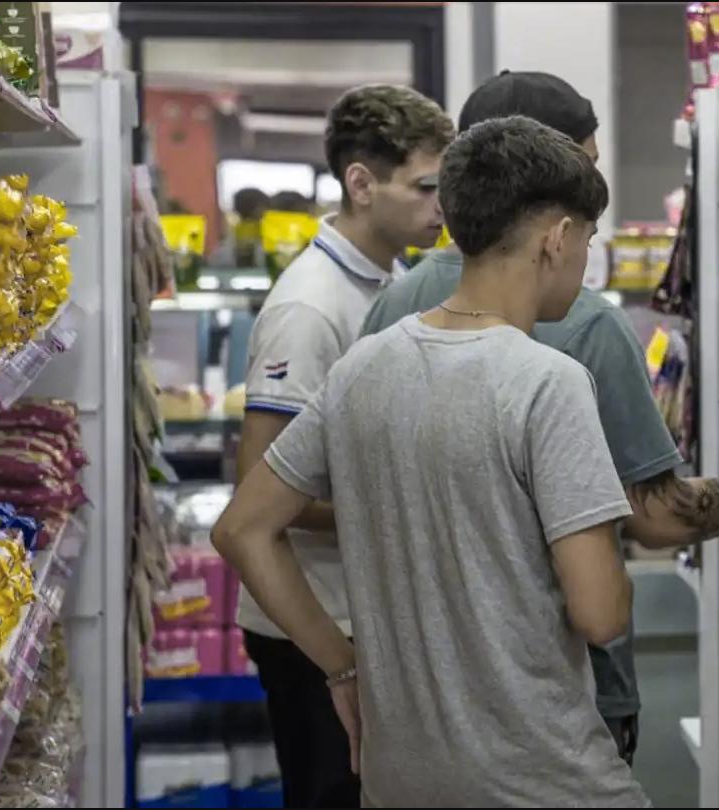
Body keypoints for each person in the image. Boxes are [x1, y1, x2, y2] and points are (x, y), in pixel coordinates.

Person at [360, 72, 719, 764]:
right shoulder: (584, 325)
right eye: (587, 167)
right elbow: (656, 518)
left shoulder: (394, 308)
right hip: (560, 703)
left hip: (416, 700)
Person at [213, 115, 646, 806]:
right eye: (588, 241)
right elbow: (600, 614)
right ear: (557, 238)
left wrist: (341, 667)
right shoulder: (548, 381)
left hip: (399, 779)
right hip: (543, 778)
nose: (584, 260)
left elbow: (241, 529)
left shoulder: (362, 366)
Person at [234, 84, 454, 808]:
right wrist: (405, 509)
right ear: (361, 183)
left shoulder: (393, 281)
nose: (442, 206)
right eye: (425, 187)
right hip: (316, 629)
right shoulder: (311, 307)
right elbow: (261, 494)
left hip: (365, 616)